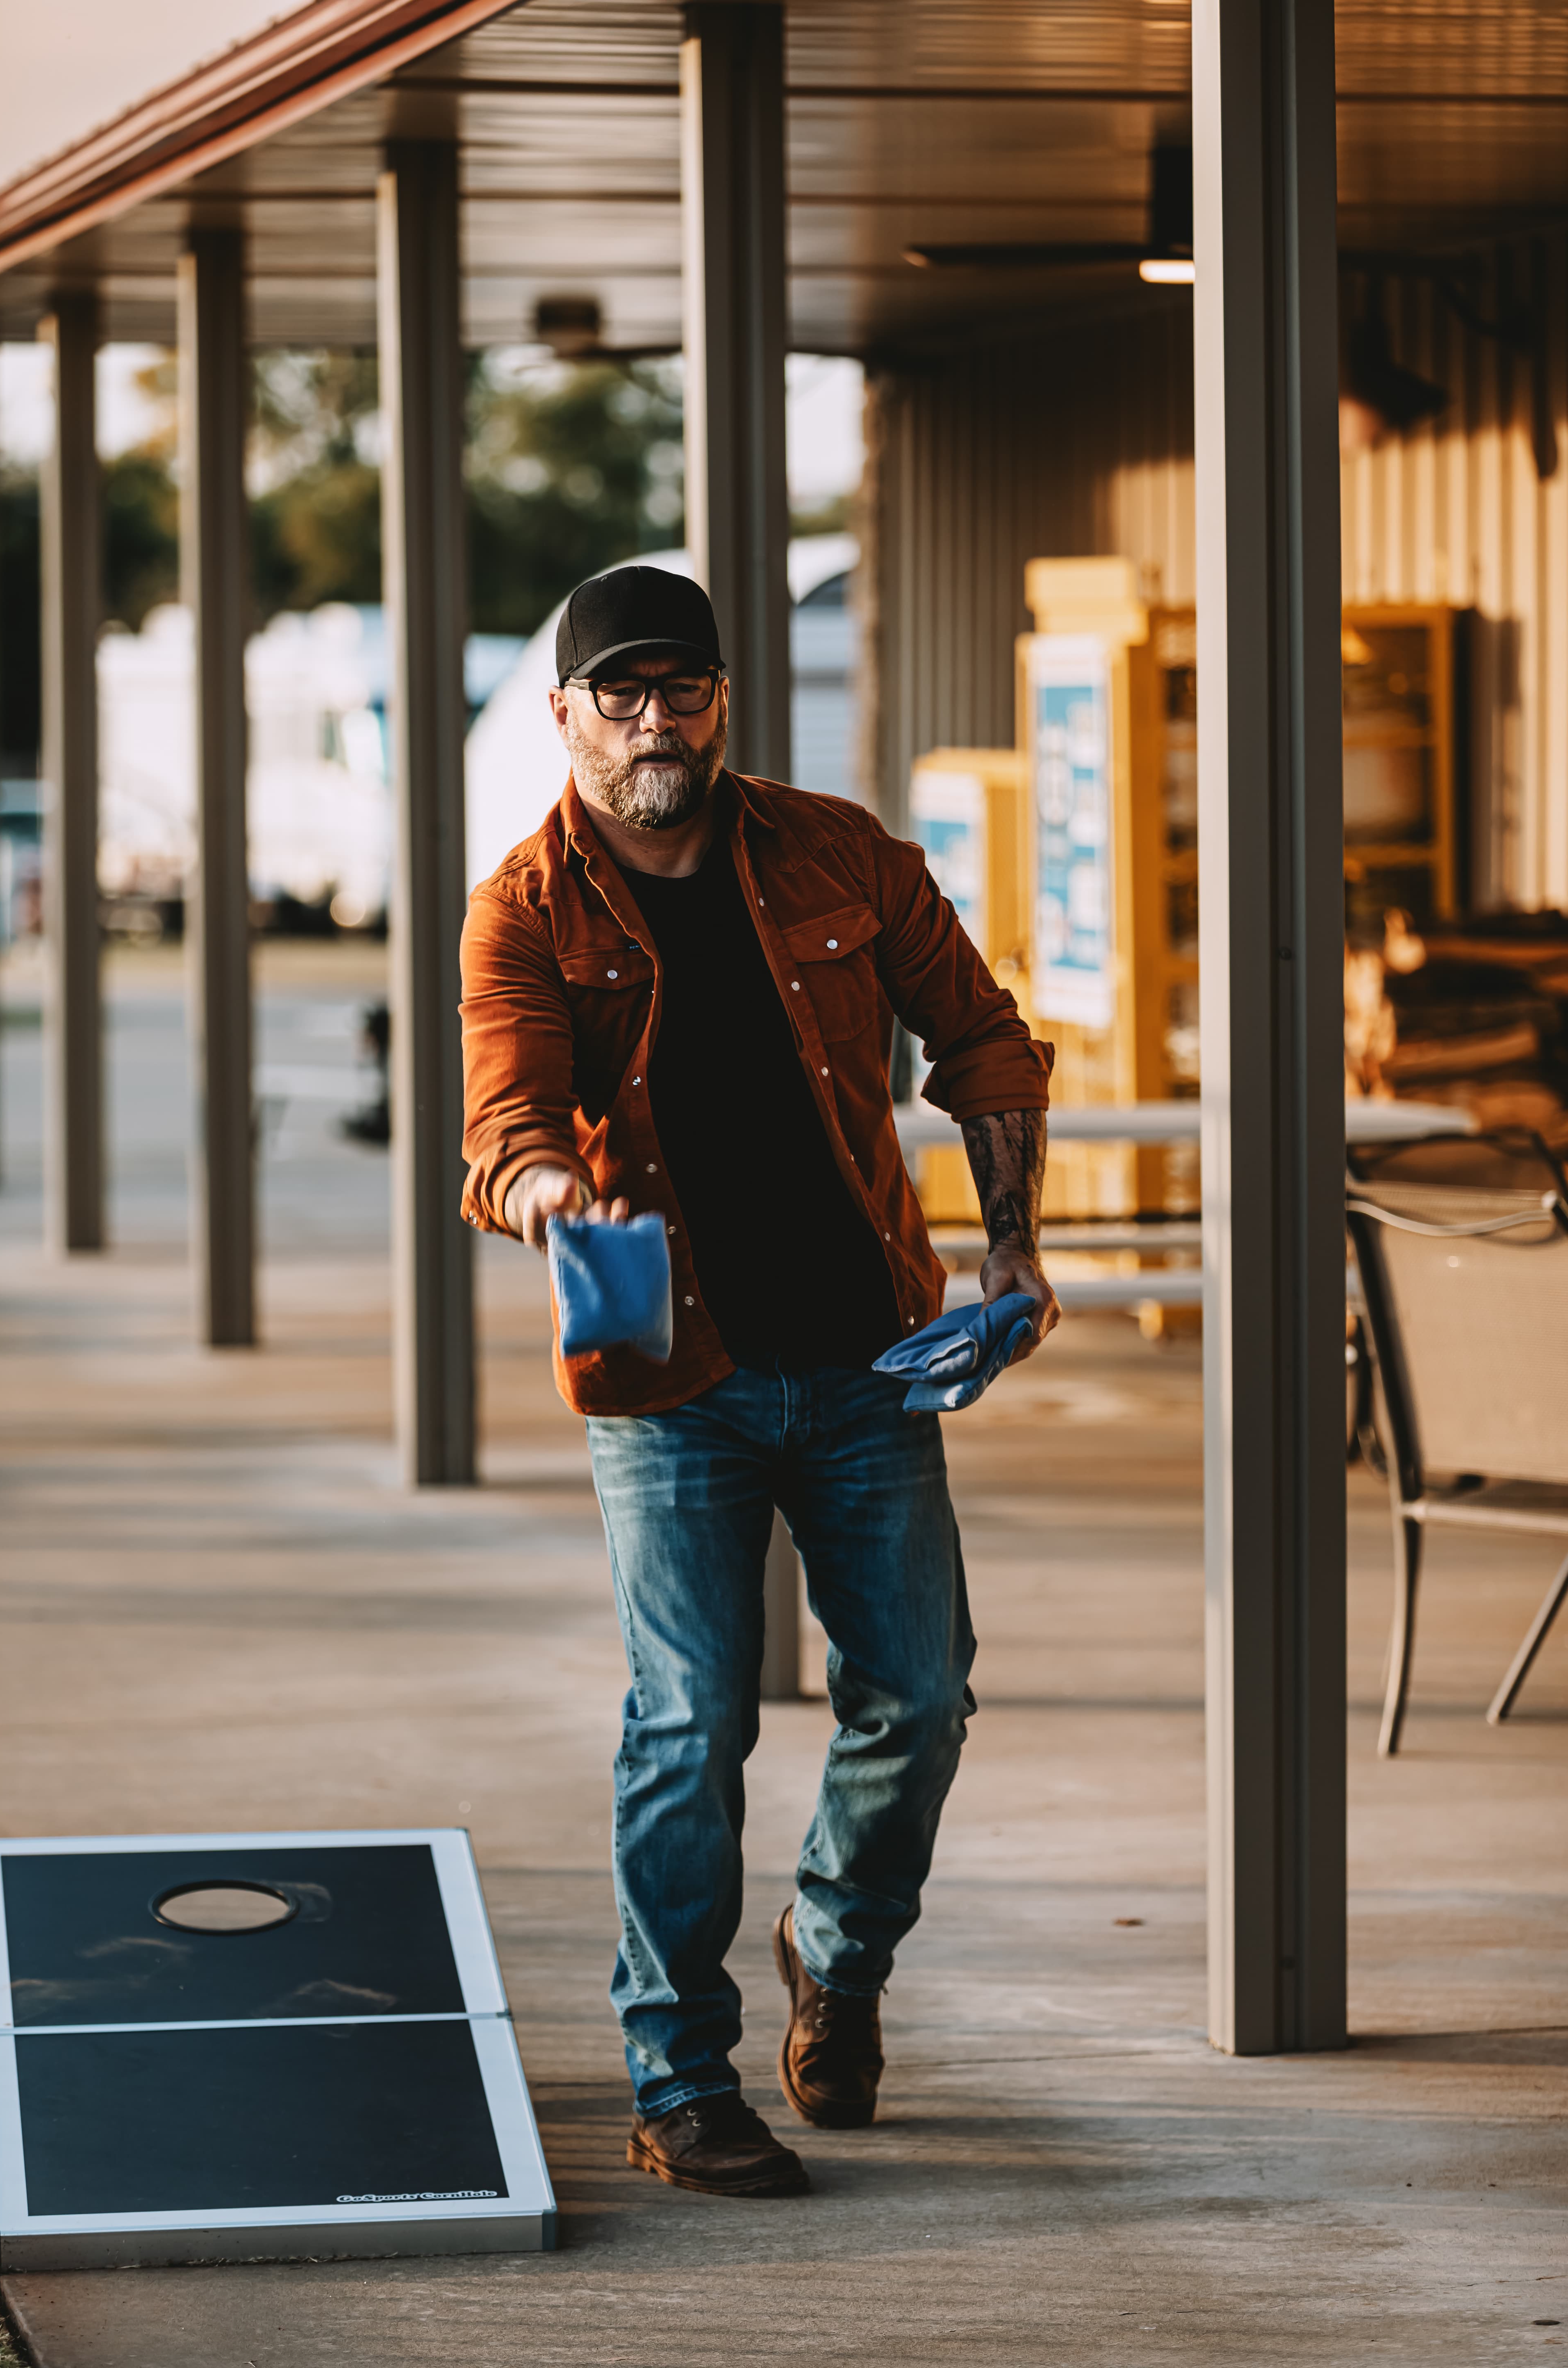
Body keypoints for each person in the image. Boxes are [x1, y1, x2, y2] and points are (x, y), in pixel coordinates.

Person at [460, 566, 1058, 2199]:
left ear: (721, 698)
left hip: (868, 1356)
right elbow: (501, 1123)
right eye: (625, 692)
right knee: (691, 1721)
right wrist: (548, 1196)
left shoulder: (839, 854)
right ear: (570, 713)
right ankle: (675, 2078)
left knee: (921, 1697)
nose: (661, 719)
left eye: (688, 688)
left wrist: (1010, 1249)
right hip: (673, 1373)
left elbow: (985, 1041)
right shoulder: (528, 907)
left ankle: (838, 1955)